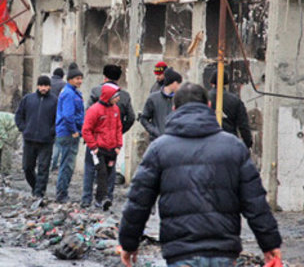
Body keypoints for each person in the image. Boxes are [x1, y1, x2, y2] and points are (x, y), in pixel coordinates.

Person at [119, 83, 282, 267]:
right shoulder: (234, 147)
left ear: (174, 109)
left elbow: (139, 202)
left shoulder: (159, 149)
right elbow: (255, 202)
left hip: (180, 252)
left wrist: (128, 243)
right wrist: (270, 244)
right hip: (223, 251)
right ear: (209, 106)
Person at [81, 64, 135, 208]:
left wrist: (95, 140)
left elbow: (88, 119)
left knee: (91, 169)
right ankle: (107, 197)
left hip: (97, 142)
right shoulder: (125, 95)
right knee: (109, 172)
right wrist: (117, 139)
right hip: (110, 144)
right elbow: (130, 118)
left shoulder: (96, 91)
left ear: (104, 76)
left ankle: (87, 199)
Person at [15, 75, 58, 199]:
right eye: (41, 85)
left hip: (46, 141)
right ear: (37, 86)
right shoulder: (28, 99)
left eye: (46, 86)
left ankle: (39, 193)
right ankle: (35, 187)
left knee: (43, 168)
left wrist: (52, 131)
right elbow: (19, 115)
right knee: (27, 167)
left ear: (49, 87)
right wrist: (24, 128)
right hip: (29, 139)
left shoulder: (54, 101)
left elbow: (58, 119)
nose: (43, 88)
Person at [81, 83, 122, 211]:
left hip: (111, 149)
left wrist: (118, 145)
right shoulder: (94, 110)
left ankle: (105, 199)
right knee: (101, 173)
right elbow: (86, 130)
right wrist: (94, 147)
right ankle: (96, 199)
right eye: (116, 96)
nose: (118, 98)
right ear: (108, 96)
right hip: (98, 149)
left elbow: (118, 128)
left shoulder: (115, 109)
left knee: (110, 174)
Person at [55, 63, 85, 203]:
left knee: (66, 164)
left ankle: (62, 192)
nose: (80, 81)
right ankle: (61, 194)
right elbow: (68, 115)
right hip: (68, 133)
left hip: (68, 132)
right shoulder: (69, 93)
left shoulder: (72, 92)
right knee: (67, 165)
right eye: (77, 78)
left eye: (81, 78)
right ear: (70, 79)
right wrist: (74, 131)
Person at [209, 70, 253, 148]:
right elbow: (243, 126)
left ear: (211, 83)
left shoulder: (204, 98)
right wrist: (247, 144)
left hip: (208, 143)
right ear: (226, 83)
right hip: (229, 144)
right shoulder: (235, 100)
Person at [139, 68, 182, 141]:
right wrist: (155, 131)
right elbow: (144, 119)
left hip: (174, 141)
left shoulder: (180, 99)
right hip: (157, 141)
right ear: (173, 83)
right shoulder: (153, 98)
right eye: (178, 83)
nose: (179, 86)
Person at [50, 67, 67, 171]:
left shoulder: (47, 83)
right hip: (58, 116)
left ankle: (43, 161)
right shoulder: (64, 85)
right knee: (57, 142)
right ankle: (54, 163)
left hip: (46, 115)